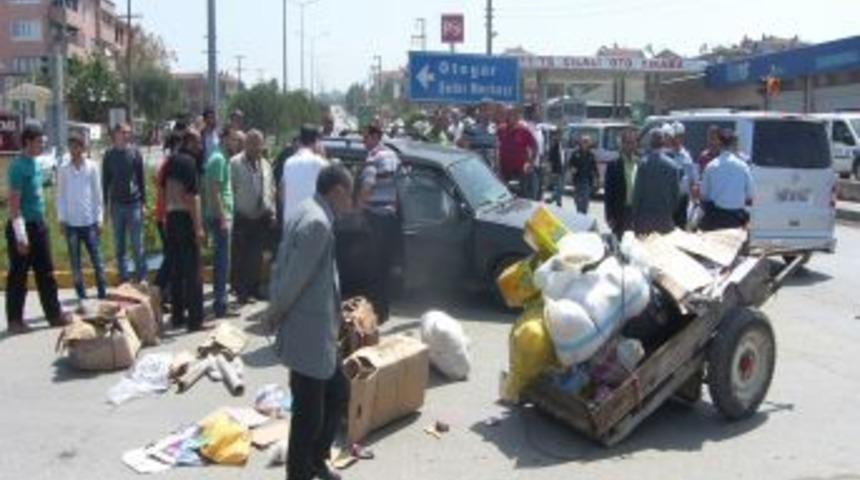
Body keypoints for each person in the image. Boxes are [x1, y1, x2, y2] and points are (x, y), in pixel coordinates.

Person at [268, 164, 353, 480]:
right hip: (309, 333)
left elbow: (287, 266)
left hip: (320, 330)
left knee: (337, 394)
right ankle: (300, 473)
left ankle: (316, 462)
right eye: (349, 195)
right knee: (308, 415)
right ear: (338, 192)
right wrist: (274, 315)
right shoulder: (317, 222)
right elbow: (293, 278)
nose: (351, 203)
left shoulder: (307, 209)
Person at [5, 123, 68, 334]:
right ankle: (15, 320)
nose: (42, 145)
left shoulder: (35, 163)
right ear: (28, 142)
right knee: (19, 275)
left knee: (46, 272)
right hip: (22, 226)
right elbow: (14, 203)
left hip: (39, 225)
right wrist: (20, 235)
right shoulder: (17, 167)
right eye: (39, 141)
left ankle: (54, 314)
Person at [358, 121, 403, 321]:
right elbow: (399, 185)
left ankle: (375, 311)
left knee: (373, 267)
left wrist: (356, 210)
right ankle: (385, 309)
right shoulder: (393, 155)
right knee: (385, 266)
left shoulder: (373, 157)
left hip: (374, 217)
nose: (363, 141)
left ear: (376, 137)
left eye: (366, 137)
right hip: (391, 217)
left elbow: (367, 188)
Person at [163, 128, 206, 331]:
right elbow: (192, 197)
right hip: (185, 219)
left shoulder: (171, 161)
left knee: (176, 270)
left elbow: (163, 188)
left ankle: (178, 316)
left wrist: (165, 218)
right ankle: (196, 320)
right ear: (189, 143)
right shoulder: (189, 163)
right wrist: (198, 228)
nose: (200, 147)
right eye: (197, 143)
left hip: (171, 218)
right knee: (193, 272)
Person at [57, 133, 106, 301]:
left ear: (83, 148)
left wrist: (99, 219)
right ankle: (82, 296)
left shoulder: (92, 167)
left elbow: (98, 195)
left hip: (89, 221)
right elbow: (60, 196)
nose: (74, 150)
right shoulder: (63, 168)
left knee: (97, 260)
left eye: (77, 146)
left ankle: (102, 293)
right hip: (71, 223)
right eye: (71, 146)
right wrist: (61, 219)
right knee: (75, 263)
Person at [231, 129, 276, 304]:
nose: (258, 147)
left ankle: (253, 289)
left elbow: (271, 189)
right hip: (242, 216)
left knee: (256, 256)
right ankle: (241, 291)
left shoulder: (265, 164)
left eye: (260, 144)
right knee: (241, 256)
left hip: (260, 216)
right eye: (254, 143)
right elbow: (230, 189)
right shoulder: (235, 163)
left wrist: (272, 212)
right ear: (247, 144)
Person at [102, 122, 147, 283]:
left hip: (134, 203)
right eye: (124, 132)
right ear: (116, 134)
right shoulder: (109, 155)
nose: (127, 135)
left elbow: (141, 180)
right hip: (116, 205)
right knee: (119, 245)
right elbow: (105, 182)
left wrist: (143, 203)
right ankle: (124, 278)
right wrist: (105, 207)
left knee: (137, 244)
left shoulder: (135, 153)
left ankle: (141, 277)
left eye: (129, 132)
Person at [203, 126, 237, 318]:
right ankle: (220, 305)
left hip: (223, 215)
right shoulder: (217, 159)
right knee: (222, 262)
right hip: (220, 217)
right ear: (224, 139)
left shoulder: (222, 158)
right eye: (233, 139)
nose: (236, 143)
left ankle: (221, 302)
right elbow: (214, 191)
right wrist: (223, 217)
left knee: (224, 261)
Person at [700, 129, 754, 231]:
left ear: (719, 144)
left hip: (715, 218)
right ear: (734, 144)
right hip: (737, 218)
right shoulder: (743, 166)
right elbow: (750, 194)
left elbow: (704, 195)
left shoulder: (711, 166)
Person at [631, 128, 681, 235]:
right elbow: (676, 194)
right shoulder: (673, 166)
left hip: (645, 219)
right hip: (665, 218)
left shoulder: (643, 165)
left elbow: (637, 192)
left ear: (650, 142)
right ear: (663, 143)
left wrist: (634, 214)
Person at [282, 125, 328, 223]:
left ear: (300, 141)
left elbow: (283, 192)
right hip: (312, 223)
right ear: (316, 141)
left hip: (289, 222)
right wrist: (323, 156)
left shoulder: (288, 162)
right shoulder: (319, 163)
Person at [604, 130, 639, 238]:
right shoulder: (613, 165)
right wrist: (609, 216)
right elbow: (609, 193)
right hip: (620, 212)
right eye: (628, 143)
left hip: (637, 212)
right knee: (620, 244)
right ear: (622, 144)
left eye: (633, 142)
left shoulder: (640, 163)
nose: (631, 146)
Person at [497, 106, 538, 198]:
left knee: (521, 198)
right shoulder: (500, 129)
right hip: (504, 172)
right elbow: (495, 146)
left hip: (520, 173)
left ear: (517, 116)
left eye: (513, 114)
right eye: (509, 114)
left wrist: (530, 163)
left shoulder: (524, 131)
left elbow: (535, 147)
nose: (510, 116)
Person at [667, 122, 700, 228]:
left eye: (679, 136)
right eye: (674, 136)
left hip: (682, 199)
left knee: (681, 228)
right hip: (668, 199)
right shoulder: (665, 154)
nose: (676, 139)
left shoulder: (686, 156)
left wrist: (695, 199)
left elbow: (692, 179)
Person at [569, 135, 599, 214]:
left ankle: (583, 216)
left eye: (587, 142)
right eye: (584, 142)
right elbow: (570, 164)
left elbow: (595, 168)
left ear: (589, 144)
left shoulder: (591, 155)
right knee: (577, 201)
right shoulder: (575, 154)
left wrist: (597, 179)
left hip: (587, 181)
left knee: (585, 202)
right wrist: (572, 169)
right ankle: (579, 213)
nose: (585, 144)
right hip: (577, 180)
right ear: (581, 143)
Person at [547, 128, 565, 206]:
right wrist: (551, 170)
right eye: (558, 135)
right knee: (559, 187)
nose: (559, 136)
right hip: (556, 169)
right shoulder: (553, 145)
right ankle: (558, 202)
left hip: (562, 168)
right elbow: (550, 159)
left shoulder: (563, 144)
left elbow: (564, 156)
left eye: (560, 134)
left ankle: (553, 199)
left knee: (560, 187)